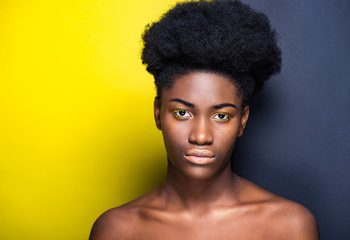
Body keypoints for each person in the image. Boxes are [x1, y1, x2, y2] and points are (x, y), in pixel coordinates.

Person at [89, 0, 319, 239]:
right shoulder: (117, 229)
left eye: (221, 116)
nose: (200, 136)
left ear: (242, 120)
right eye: (182, 113)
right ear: (158, 113)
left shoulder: (288, 225)